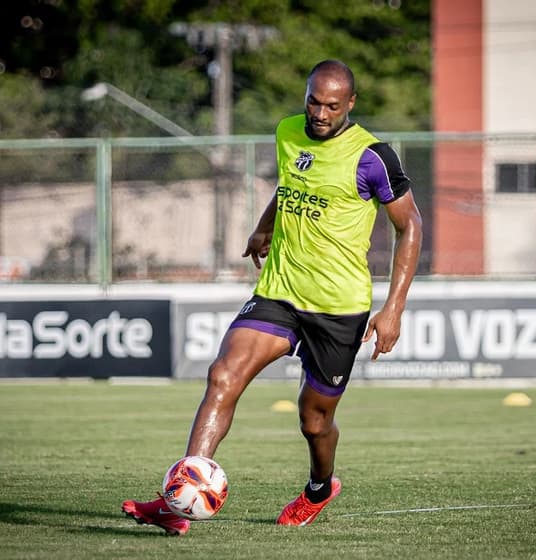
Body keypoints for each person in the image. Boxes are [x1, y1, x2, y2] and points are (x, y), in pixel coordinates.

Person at [122, 59, 423, 535]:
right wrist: (265, 229)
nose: (319, 114)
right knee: (223, 375)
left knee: (314, 421)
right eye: (313, 101)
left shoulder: (372, 156)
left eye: (331, 106)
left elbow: (410, 227)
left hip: (338, 307)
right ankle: (179, 503)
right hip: (280, 291)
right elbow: (290, 187)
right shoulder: (288, 131)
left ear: (350, 104)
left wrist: (393, 309)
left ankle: (320, 488)